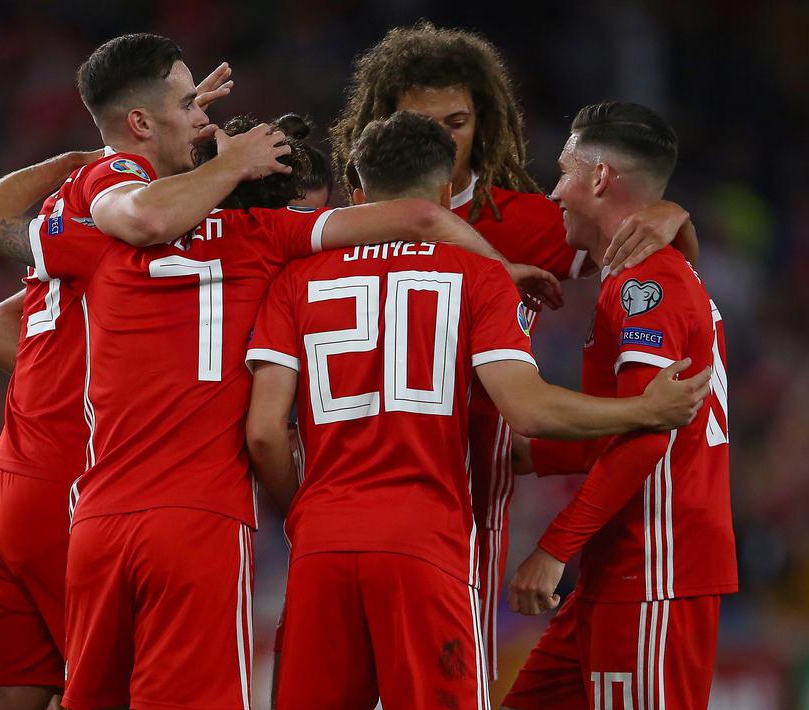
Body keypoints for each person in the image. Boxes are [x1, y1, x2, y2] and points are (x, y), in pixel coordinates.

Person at [0, 33, 560, 709]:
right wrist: (493, 272)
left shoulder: (96, 243)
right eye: (186, 103)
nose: (196, 115)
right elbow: (417, 218)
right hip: (162, 511)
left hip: (57, 492)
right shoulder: (265, 251)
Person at [243, 111, 709, 710]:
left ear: (357, 195)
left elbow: (263, 434)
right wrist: (644, 412)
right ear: (444, 195)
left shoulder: (294, 280)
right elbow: (530, 409)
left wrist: (304, 514)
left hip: (320, 547)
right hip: (424, 540)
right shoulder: (478, 276)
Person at [328, 22, 699, 677]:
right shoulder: (337, 224)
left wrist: (669, 215)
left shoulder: (524, 220)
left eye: (457, 120)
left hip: (466, 497)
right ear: (380, 124)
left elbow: (659, 275)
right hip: (349, 486)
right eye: (420, 121)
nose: (441, 138)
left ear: (486, 122)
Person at [0, 60, 243, 710]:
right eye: (189, 102)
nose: (202, 116)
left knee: (5, 694)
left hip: (6, 485)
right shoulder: (126, 218)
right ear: (141, 121)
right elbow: (147, 215)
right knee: (108, 692)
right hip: (73, 485)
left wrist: (81, 159)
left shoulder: (70, 221)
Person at [501, 103, 735, 710]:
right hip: (621, 571)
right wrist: (531, 454)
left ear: (600, 178)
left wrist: (553, 552)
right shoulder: (634, 277)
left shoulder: (646, 286)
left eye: (563, 171)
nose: (553, 191)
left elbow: (648, 436)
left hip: (655, 567)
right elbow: (627, 423)